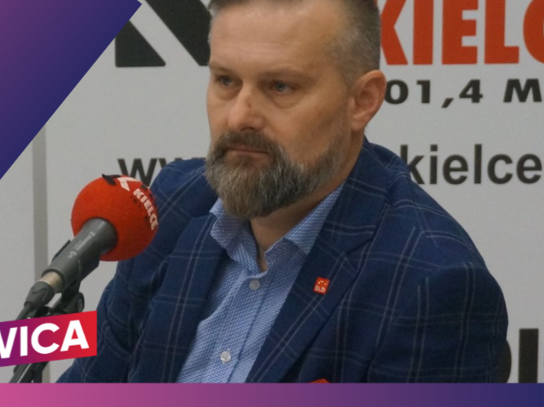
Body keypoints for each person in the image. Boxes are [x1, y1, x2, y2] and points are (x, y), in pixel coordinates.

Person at [58, 0, 507, 383]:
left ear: (363, 100)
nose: (239, 117)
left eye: (280, 87)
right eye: (226, 81)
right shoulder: (174, 204)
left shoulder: (431, 284)